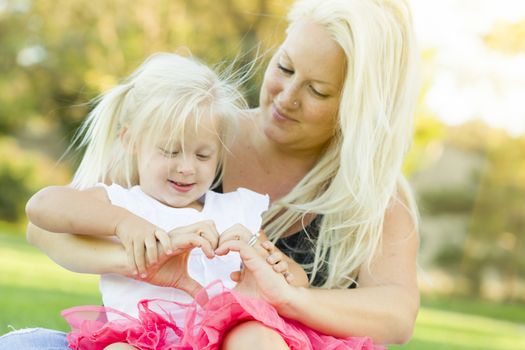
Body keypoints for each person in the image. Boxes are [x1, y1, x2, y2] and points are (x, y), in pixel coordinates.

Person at [0, 0, 420, 348]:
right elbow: (48, 227)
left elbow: (397, 317)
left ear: (360, 107)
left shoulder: (376, 198)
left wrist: (289, 295)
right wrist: (137, 260)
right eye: (285, 68)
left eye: (317, 91)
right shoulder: (195, 134)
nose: (286, 97)